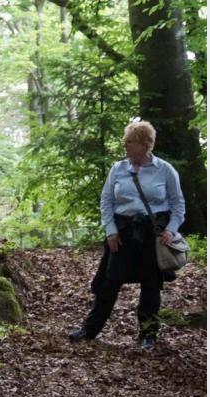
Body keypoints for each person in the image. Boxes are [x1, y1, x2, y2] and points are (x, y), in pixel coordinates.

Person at [69, 120, 185, 350]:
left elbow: (178, 204)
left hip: (153, 234)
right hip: (122, 233)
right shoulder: (118, 169)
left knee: (151, 284)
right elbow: (106, 201)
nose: (125, 145)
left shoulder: (165, 170)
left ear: (145, 144)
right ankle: (89, 329)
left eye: (130, 142)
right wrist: (110, 230)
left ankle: (148, 335)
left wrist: (171, 230)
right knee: (109, 282)